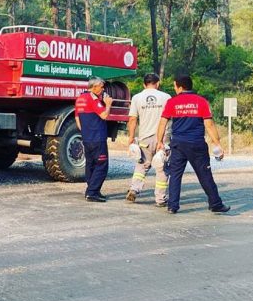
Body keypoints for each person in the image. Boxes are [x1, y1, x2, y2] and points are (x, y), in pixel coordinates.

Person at [155, 75, 230, 214]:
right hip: (197, 144)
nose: (174, 88)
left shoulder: (172, 102)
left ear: (180, 87)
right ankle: (215, 204)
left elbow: (162, 122)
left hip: (178, 144)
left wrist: (159, 141)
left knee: (175, 175)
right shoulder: (201, 101)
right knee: (205, 175)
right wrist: (217, 143)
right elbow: (209, 124)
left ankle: (172, 206)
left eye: (175, 86)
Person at [125, 73, 171, 206]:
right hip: (162, 138)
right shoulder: (166, 97)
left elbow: (132, 119)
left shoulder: (137, 98)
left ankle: (134, 189)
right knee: (161, 168)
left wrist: (131, 138)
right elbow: (170, 118)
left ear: (144, 84)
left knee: (142, 165)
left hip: (145, 138)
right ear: (158, 83)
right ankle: (160, 199)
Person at [74, 76, 115, 202]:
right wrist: (108, 104)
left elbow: (77, 120)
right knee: (102, 165)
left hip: (87, 138)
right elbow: (104, 115)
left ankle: (91, 190)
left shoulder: (80, 99)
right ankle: (92, 193)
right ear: (95, 86)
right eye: (101, 87)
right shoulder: (93, 99)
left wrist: (86, 131)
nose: (103, 89)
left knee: (90, 165)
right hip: (97, 138)